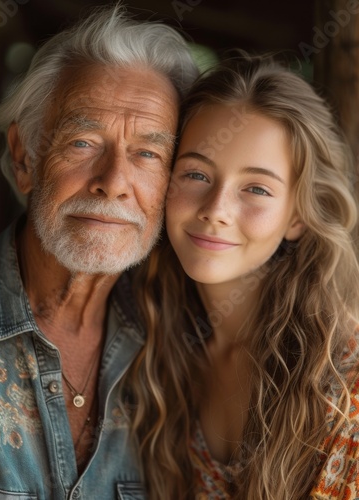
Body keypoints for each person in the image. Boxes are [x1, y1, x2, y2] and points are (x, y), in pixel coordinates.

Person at [0, 4, 198, 499]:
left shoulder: (179, 351)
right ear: (26, 158)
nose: (113, 183)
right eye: (84, 142)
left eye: (148, 154)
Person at [127, 53, 359, 499]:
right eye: (196, 173)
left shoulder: (346, 384)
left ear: (297, 217)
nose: (216, 210)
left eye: (256, 188)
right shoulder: (155, 342)